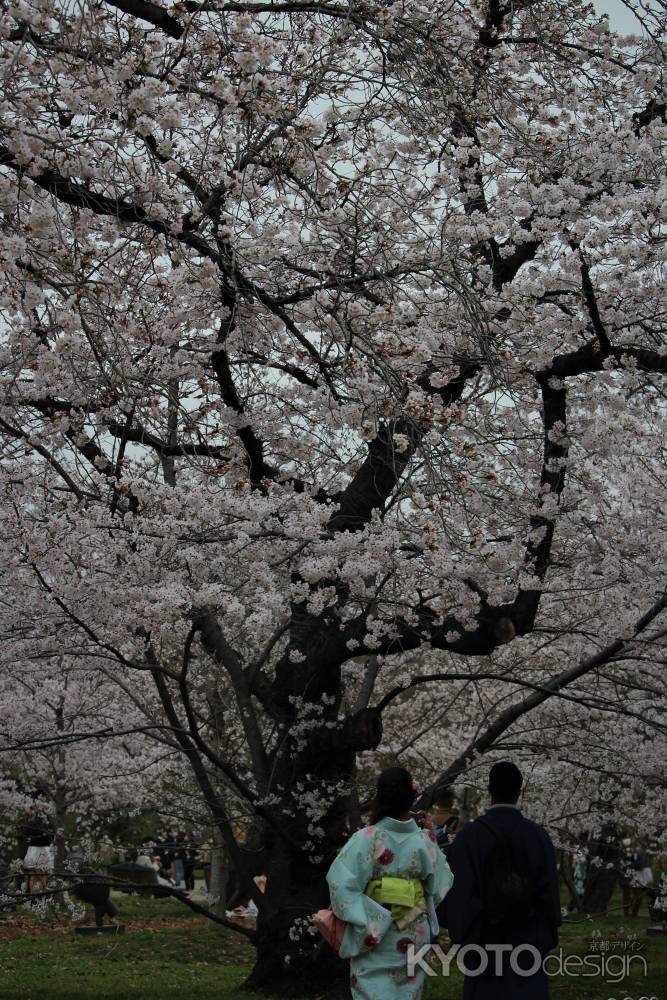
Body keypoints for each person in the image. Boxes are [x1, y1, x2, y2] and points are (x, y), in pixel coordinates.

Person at [327, 766, 453, 1000]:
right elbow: (439, 887)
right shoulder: (424, 841)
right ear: (411, 798)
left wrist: (369, 917)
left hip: (374, 930)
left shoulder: (366, 838)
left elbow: (340, 884)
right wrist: (411, 903)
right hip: (413, 928)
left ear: (380, 797)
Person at [443, 761, 561, 1000]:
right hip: (528, 943)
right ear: (519, 791)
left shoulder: (469, 836)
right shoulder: (538, 836)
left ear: (490, 790)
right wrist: (541, 938)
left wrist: (466, 939)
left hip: (483, 943)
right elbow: (549, 896)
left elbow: (459, 895)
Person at [21, 806, 54, 894]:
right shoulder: (48, 824)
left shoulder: (31, 823)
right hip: (44, 850)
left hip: (33, 850)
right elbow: (51, 837)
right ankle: (42, 894)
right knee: (43, 876)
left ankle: (33, 896)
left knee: (33, 876)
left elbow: (25, 833)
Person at [619, 838, 649, 917]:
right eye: (626, 846)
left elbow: (641, 864)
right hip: (625, 877)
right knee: (626, 895)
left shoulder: (637, 854)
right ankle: (626, 914)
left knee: (638, 895)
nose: (628, 848)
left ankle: (634, 913)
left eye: (629, 846)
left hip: (636, 877)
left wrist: (633, 865)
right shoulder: (621, 854)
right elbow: (621, 865)